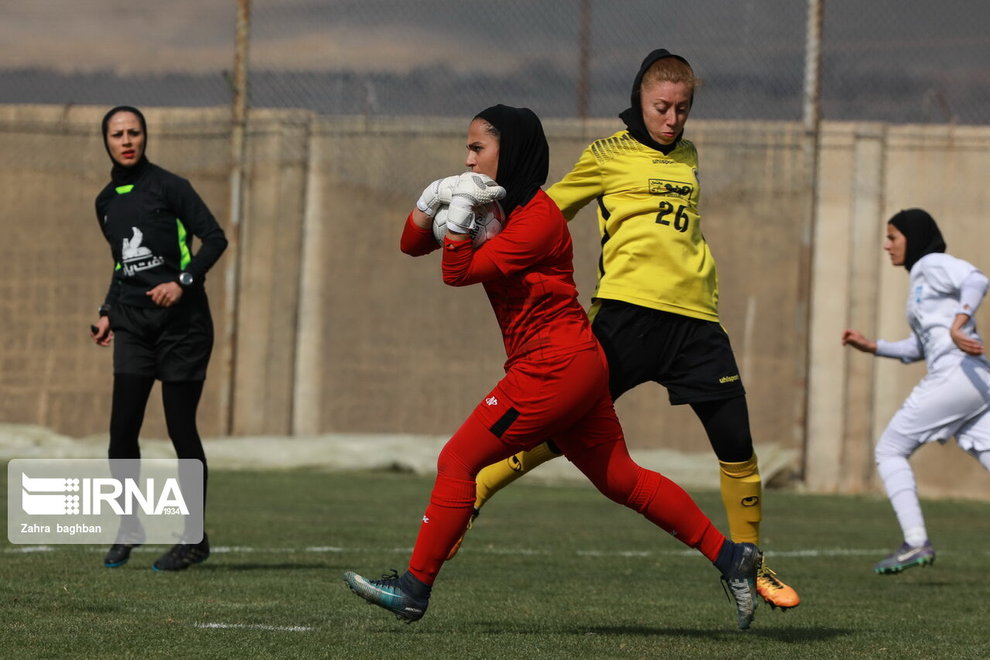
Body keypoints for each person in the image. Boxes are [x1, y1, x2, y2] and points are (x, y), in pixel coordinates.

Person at [343, 104, 764, 630]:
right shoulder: (497, 204)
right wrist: (430, 201)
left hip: (552, 367)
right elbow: (410, 245)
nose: (467, 158)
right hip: (575, 364)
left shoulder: (538, 217)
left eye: (477, 148)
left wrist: (455, 225)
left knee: (456, 462)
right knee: (623, 481)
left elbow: (458, 273)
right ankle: (733, 559)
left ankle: (412, 590)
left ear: (510, 152)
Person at [449, 50, 800, 610]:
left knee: (737, 444)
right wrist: (491, 229)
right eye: (661, 107)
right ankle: (479, 488)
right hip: (626, 314)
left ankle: (750, 563)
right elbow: (549, 207)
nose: (672, 119)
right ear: (639, 99)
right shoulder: (607, 154)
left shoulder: (688, 154)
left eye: (682, 109)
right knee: (564, 421)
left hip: (697, 322)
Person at [90, 105, 227, 571]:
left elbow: (215, 238)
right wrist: (108, 312)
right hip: (133, 326)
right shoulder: (105, 201)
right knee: (121, 433)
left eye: (134, 132)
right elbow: (121, 264)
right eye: (117, 134)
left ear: (145, 137)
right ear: (106, 141)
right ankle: (130, 527)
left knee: (180, 430)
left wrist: (181, 283)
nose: (126, 140)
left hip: (183, 329)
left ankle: (194, 539)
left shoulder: (171, 187)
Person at [842, 208, 990, 574]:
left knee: (890, 450)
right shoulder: (920, 281)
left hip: (957, 374)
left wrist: (960, 322)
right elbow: (918, 348)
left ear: (914, 237)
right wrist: (873, 346)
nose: (886, 245)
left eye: (893, 237)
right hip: (975, 381)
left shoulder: (932, 263)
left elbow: (977, 280)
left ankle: (915, 541)